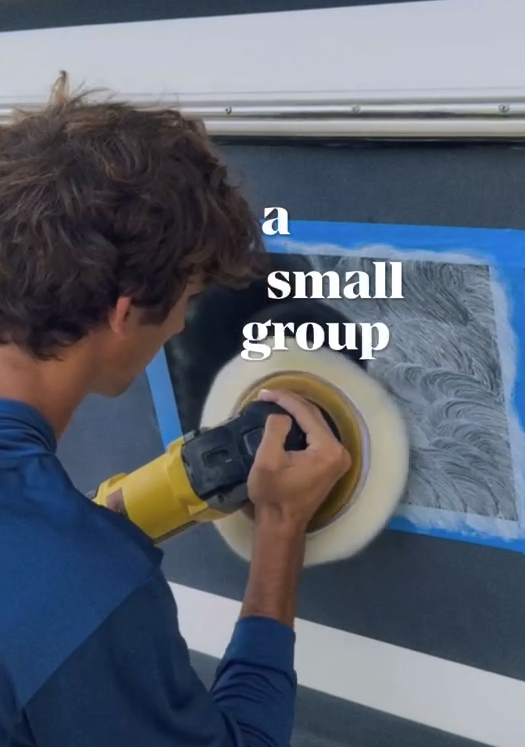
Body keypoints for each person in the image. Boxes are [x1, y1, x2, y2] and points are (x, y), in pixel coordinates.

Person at [0, 74, 351, 746]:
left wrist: (121, 515)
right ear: (125, 311)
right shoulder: (87, 586)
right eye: (187, 299)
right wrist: (280, 527)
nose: (182, 324)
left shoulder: (68, 568)